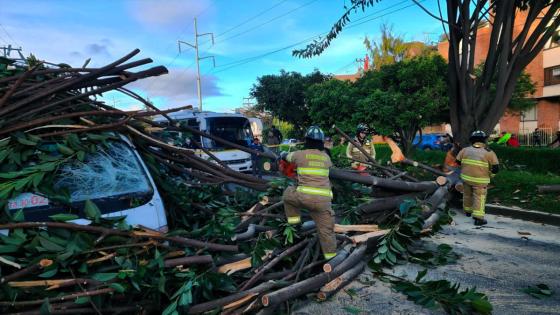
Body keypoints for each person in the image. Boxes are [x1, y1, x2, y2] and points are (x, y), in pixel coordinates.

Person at [279, 126, 337, 260]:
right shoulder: (326, 158)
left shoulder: (299, 154)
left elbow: (285, 156)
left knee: (288, 193)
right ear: (321, 142)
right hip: (323, 203)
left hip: (304, 198)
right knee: (326, 232)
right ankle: (332, 260)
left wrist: (281, 154)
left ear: (307, 140)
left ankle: (294, 223)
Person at [456, 130, 500, 226]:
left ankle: (467, 211)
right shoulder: (489, 152)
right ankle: (478, 218)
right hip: (480, 181)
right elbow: (496, 168)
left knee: (467, 195)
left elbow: (458, 161)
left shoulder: (465, 150)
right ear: (484, 140)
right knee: (479, 197)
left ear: (472, 140)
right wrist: (491, 175)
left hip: (466, 178)